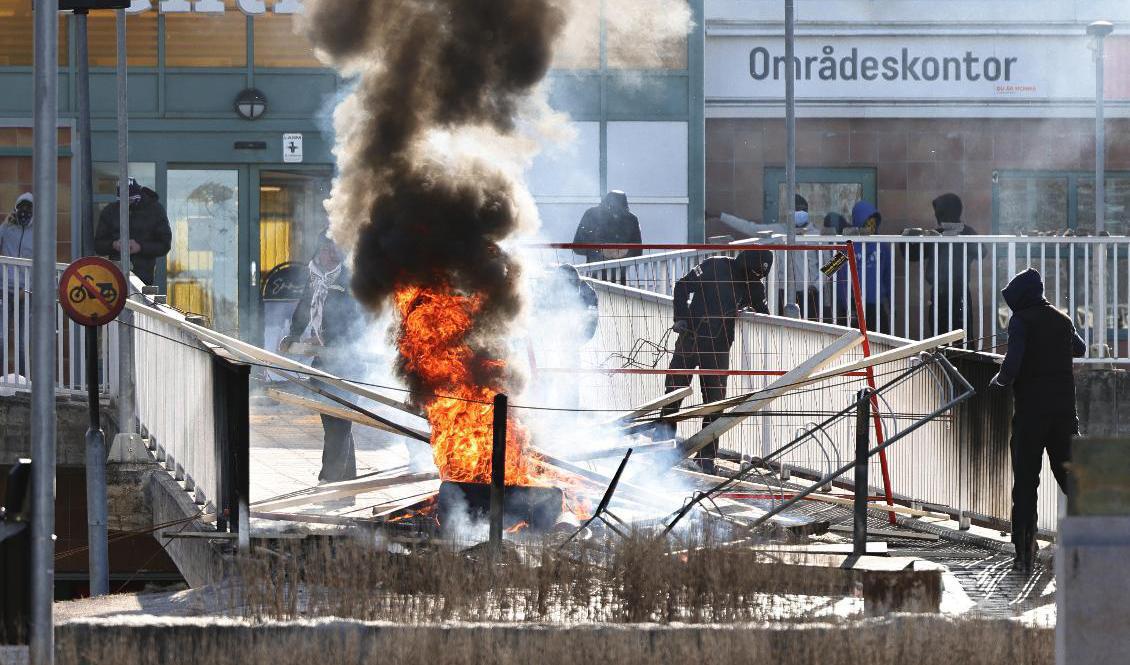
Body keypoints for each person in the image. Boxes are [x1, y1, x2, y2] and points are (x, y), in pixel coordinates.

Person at [990, 268, 1086, 574]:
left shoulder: (1021, 321)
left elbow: (1013, 362)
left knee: (1027, 483)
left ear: (1021, 298)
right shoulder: (1062, 319)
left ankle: (1025, 553)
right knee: (1073, 481)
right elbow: (1080, 348)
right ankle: (1086, 546)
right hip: (1063, 415)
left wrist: (999, 381)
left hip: (1031, 415)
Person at [659, 249, 774, 475]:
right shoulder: (714, 265)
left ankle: (706, 457)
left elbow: (764, 312)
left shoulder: (754, 285)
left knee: (715, 403)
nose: (755, 279)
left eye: (759, 276)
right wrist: (681, 318)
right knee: (673, 393)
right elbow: (682, 286)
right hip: (690, 338)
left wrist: (760, 313)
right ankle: (661, 449)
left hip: (719, 346)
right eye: (753, 274)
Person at [281, 235, 363, 483]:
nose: (332, 254)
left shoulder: (350, 279)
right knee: (334, 422)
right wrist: (293, 335)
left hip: (348, 362)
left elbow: (355, 319)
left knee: (340, 421)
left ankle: (329, 478)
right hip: (324, 362)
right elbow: (305, 308)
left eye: (336, 248)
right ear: (318, 251)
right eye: (327, 249)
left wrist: (326, 337)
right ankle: (346, 479)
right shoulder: (315, 277)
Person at [909, 193, 978, 341]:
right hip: (940, 292)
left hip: (959, 292)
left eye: (939, 212)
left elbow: (981, 252)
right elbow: (913, 255)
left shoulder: (966, 232)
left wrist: (960, 238)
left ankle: (963, 363)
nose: (937, 216)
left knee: (962, 335)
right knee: (939, 334)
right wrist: (910, 237)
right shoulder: (937, 234)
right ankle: (943, 362)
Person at [94, 178, 172, 285]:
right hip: (115, 277)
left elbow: (164, 245)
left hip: (144, 278)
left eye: (130, 200)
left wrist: (140, 247)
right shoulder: (110, 212)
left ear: (138, 196)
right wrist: (114, 245)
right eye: (123, 201)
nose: (127, 204)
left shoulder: (155, 210)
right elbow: (98, 245)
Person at [835, 201, 892, 334]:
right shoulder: (845, 245)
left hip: (875, 304)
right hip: (852, 304)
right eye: (867, 221)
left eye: (873, 221)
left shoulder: (882, 245)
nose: (870, 225)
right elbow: (830, 271)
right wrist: (845, 304)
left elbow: (888, 276)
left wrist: (890, 302)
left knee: (879, 345)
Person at [0, 193, 33, 377]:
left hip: (24, 293)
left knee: (21, 341)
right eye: (22, 207)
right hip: (3, 290)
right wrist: (5, 224)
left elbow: (40, 264)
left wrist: (28, 289)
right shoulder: (7, 228)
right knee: (1, 338)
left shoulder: (38, 232)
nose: (25, 211)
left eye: (29, 208)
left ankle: (22, 381)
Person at [572, 191, 642, 263]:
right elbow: (577, 246)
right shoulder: (592, 214)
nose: (615, 214)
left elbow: (638, 250)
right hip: (596, 267)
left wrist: (623, 252)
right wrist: (599, 251)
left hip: (616, 268)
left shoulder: (631, 219)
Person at [787, 195, 823, 319]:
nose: (799, 212)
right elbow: (750, 226)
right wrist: (723, 215)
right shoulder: (780, 233)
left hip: (810, 293)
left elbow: (835, 261)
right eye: (796, 209)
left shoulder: (818, 235)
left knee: (811, 332)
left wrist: (817, 285)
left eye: (803, 209)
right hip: (785, 292)